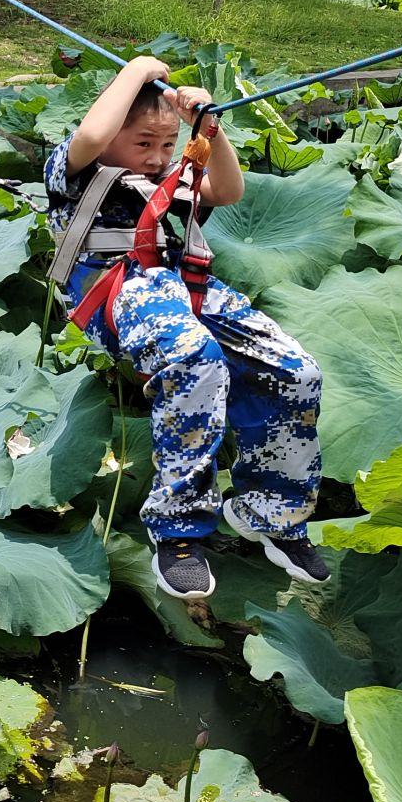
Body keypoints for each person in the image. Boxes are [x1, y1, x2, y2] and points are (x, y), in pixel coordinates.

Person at [44, 55, 326, 600]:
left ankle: (271, 512)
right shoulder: (74, 173)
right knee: (195, 359)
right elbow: (95, 131)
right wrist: (134, 73)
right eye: (143, 143)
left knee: (296, 371)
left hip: (183, 285)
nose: (156, 157)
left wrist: (207, 130)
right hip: (116, 291)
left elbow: (227, 191)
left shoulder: (167, 181)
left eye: (167, 144)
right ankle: (177, 531)